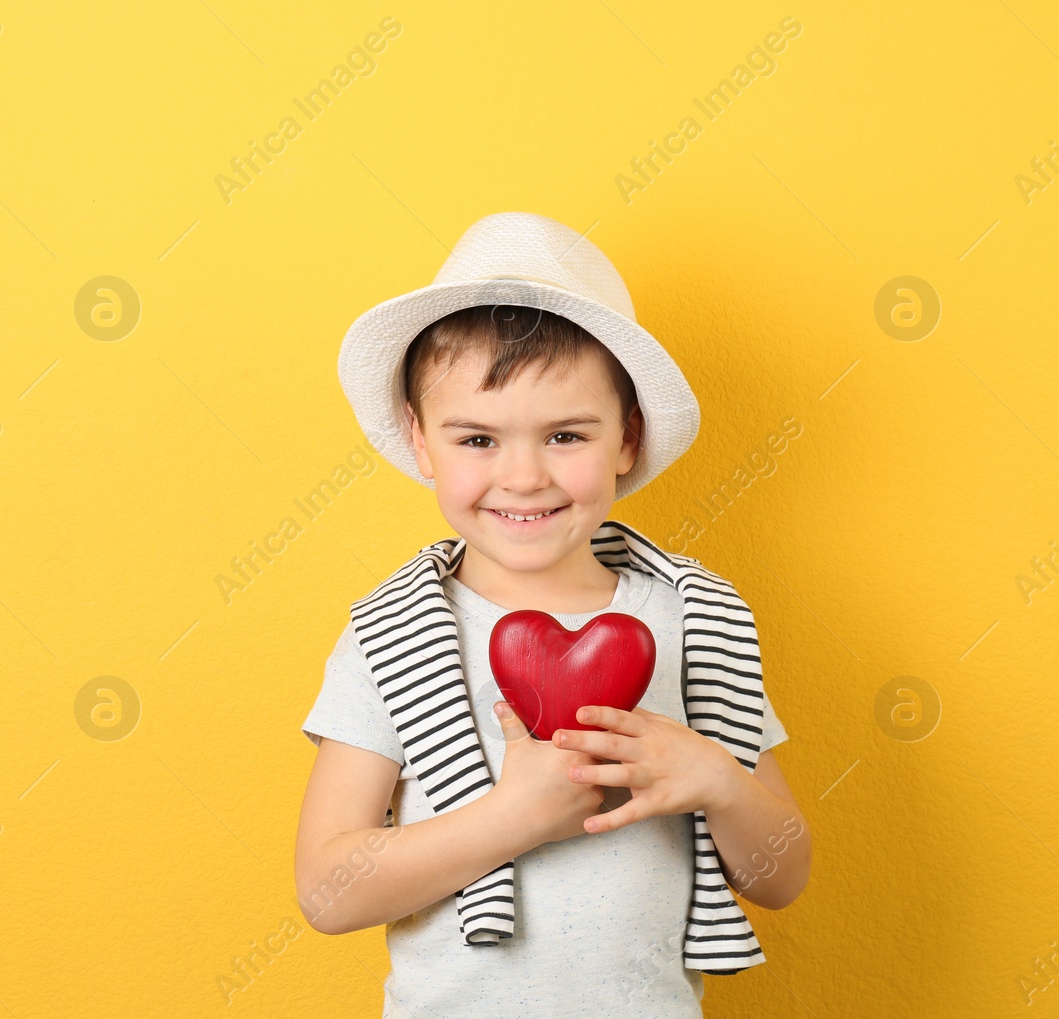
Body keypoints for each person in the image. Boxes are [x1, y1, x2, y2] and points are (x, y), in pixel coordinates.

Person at [295, 211, 811, 1017]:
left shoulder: (694, 618)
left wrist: (720, 782)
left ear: (627, 439)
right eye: (477, 440)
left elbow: (782, 876)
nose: (524, 475)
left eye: (566, 433)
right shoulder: (391, 636)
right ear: (421, 442)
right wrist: (512, 818)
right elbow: (328, 890)